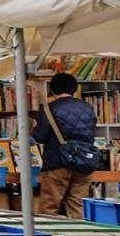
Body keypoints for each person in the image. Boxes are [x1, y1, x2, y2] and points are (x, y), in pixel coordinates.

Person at [34, 73, 99, 216]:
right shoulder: (87, 107)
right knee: (77, 204)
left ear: (52, 89)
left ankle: (49, 235)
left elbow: (40, 136)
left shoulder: (48, 109)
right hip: (84, 162)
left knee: (50, 205)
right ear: (74, 89)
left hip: (57, 162)